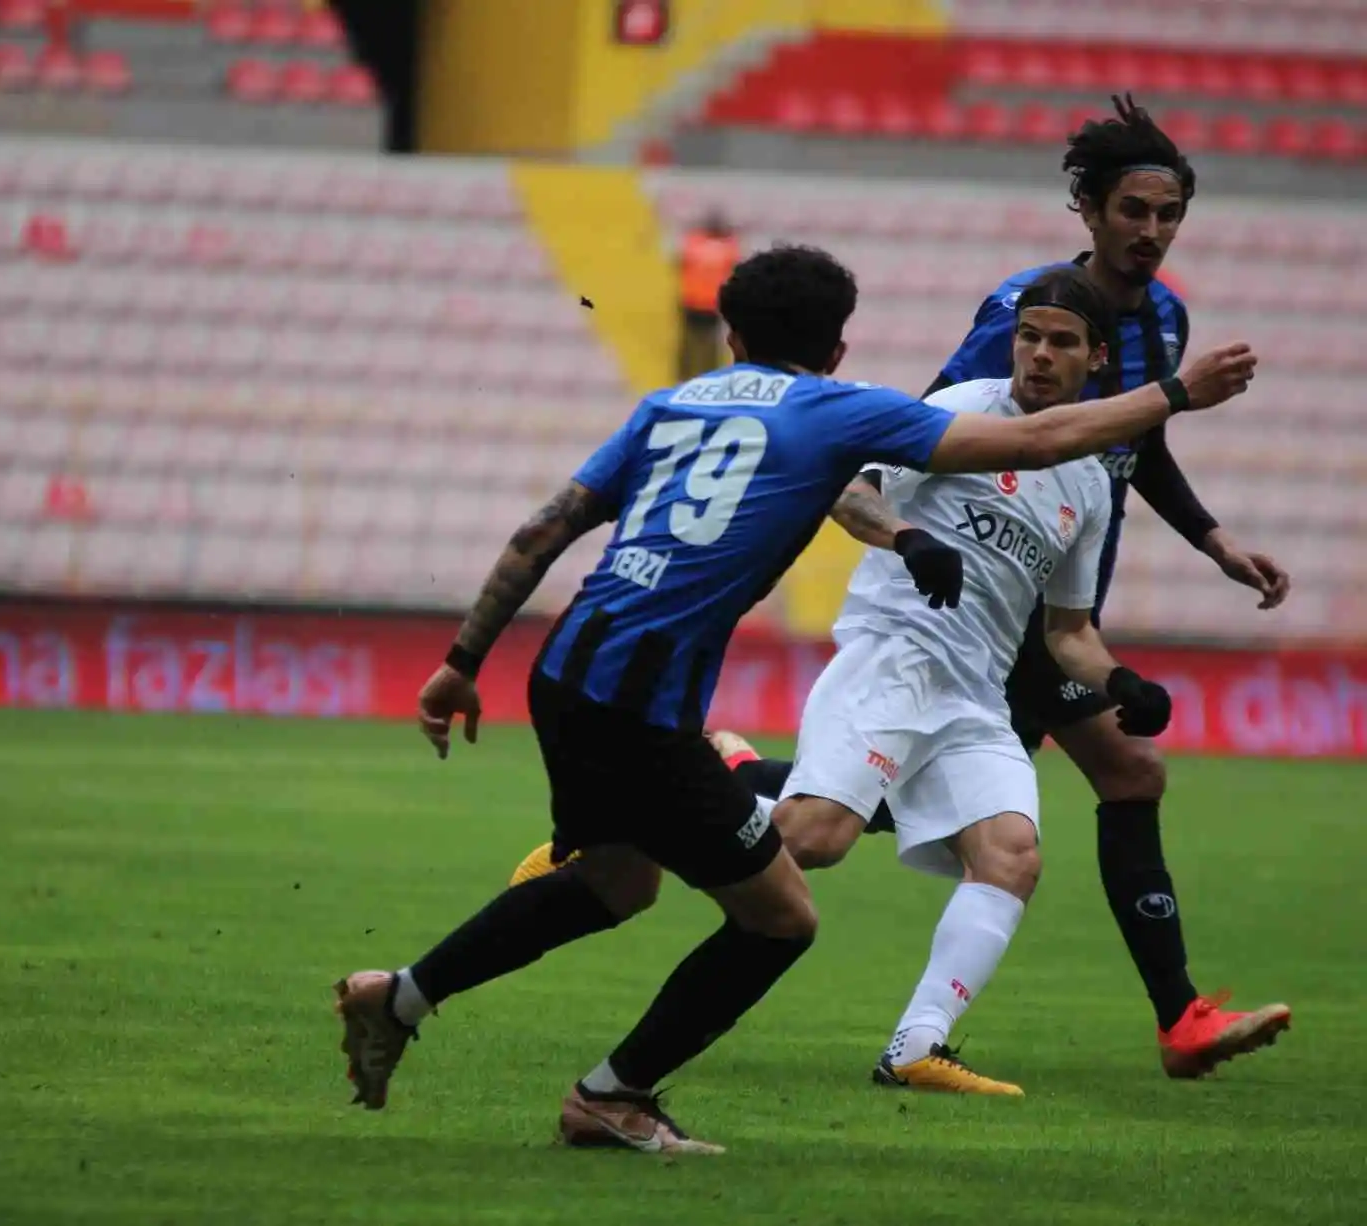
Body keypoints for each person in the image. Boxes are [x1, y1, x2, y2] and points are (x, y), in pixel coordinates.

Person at [333, 244, 1257, 1154]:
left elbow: (541, 532)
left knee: (619, 883)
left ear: (729, 333)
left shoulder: (669, 404)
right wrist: (1178, 393)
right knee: (782, 915)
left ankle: (404, 998)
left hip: (567, 670)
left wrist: (461, 662)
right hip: (648, 700)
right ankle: (611, 1095)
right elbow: (1032, 439)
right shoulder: (837, 410)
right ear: (838, 351)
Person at [911, 94, 1293, 1078]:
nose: (1151, 233)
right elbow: (936, 428)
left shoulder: (1164, 315)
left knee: (864, 809)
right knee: (1121, 774)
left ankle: (718, 787)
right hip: (993, 607)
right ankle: (1179, 1018)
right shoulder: (1023, 311)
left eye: (1167, 216)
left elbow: (1136, 440)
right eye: (1133, 211)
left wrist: (1213, 541)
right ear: (1087, 209)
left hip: (1058, 604)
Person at [676, 210, 739, 381]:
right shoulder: (727, 246)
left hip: (701, 301)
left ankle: (691, 376)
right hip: (703, 301)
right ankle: (700, 376)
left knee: (697, 345)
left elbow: (680, 263)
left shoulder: (694, 242)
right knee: (697, 344)